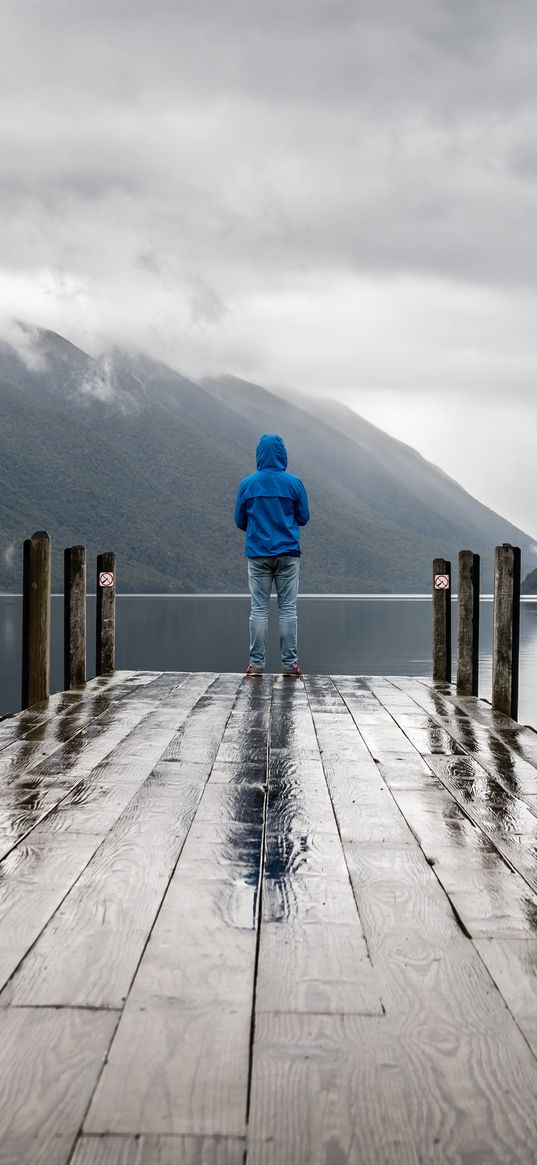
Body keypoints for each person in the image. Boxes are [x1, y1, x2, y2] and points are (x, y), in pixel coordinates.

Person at [234, 433, 310, 677]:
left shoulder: (248, 484)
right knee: (288, 609)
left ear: (259, 454)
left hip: (257, 554)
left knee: (258, 609)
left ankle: (256, 665)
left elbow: (239, 520)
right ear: (282, 454)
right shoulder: (294, 483)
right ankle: (290, 666)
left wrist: (259, 529)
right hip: (288, 554)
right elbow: (304, 518)